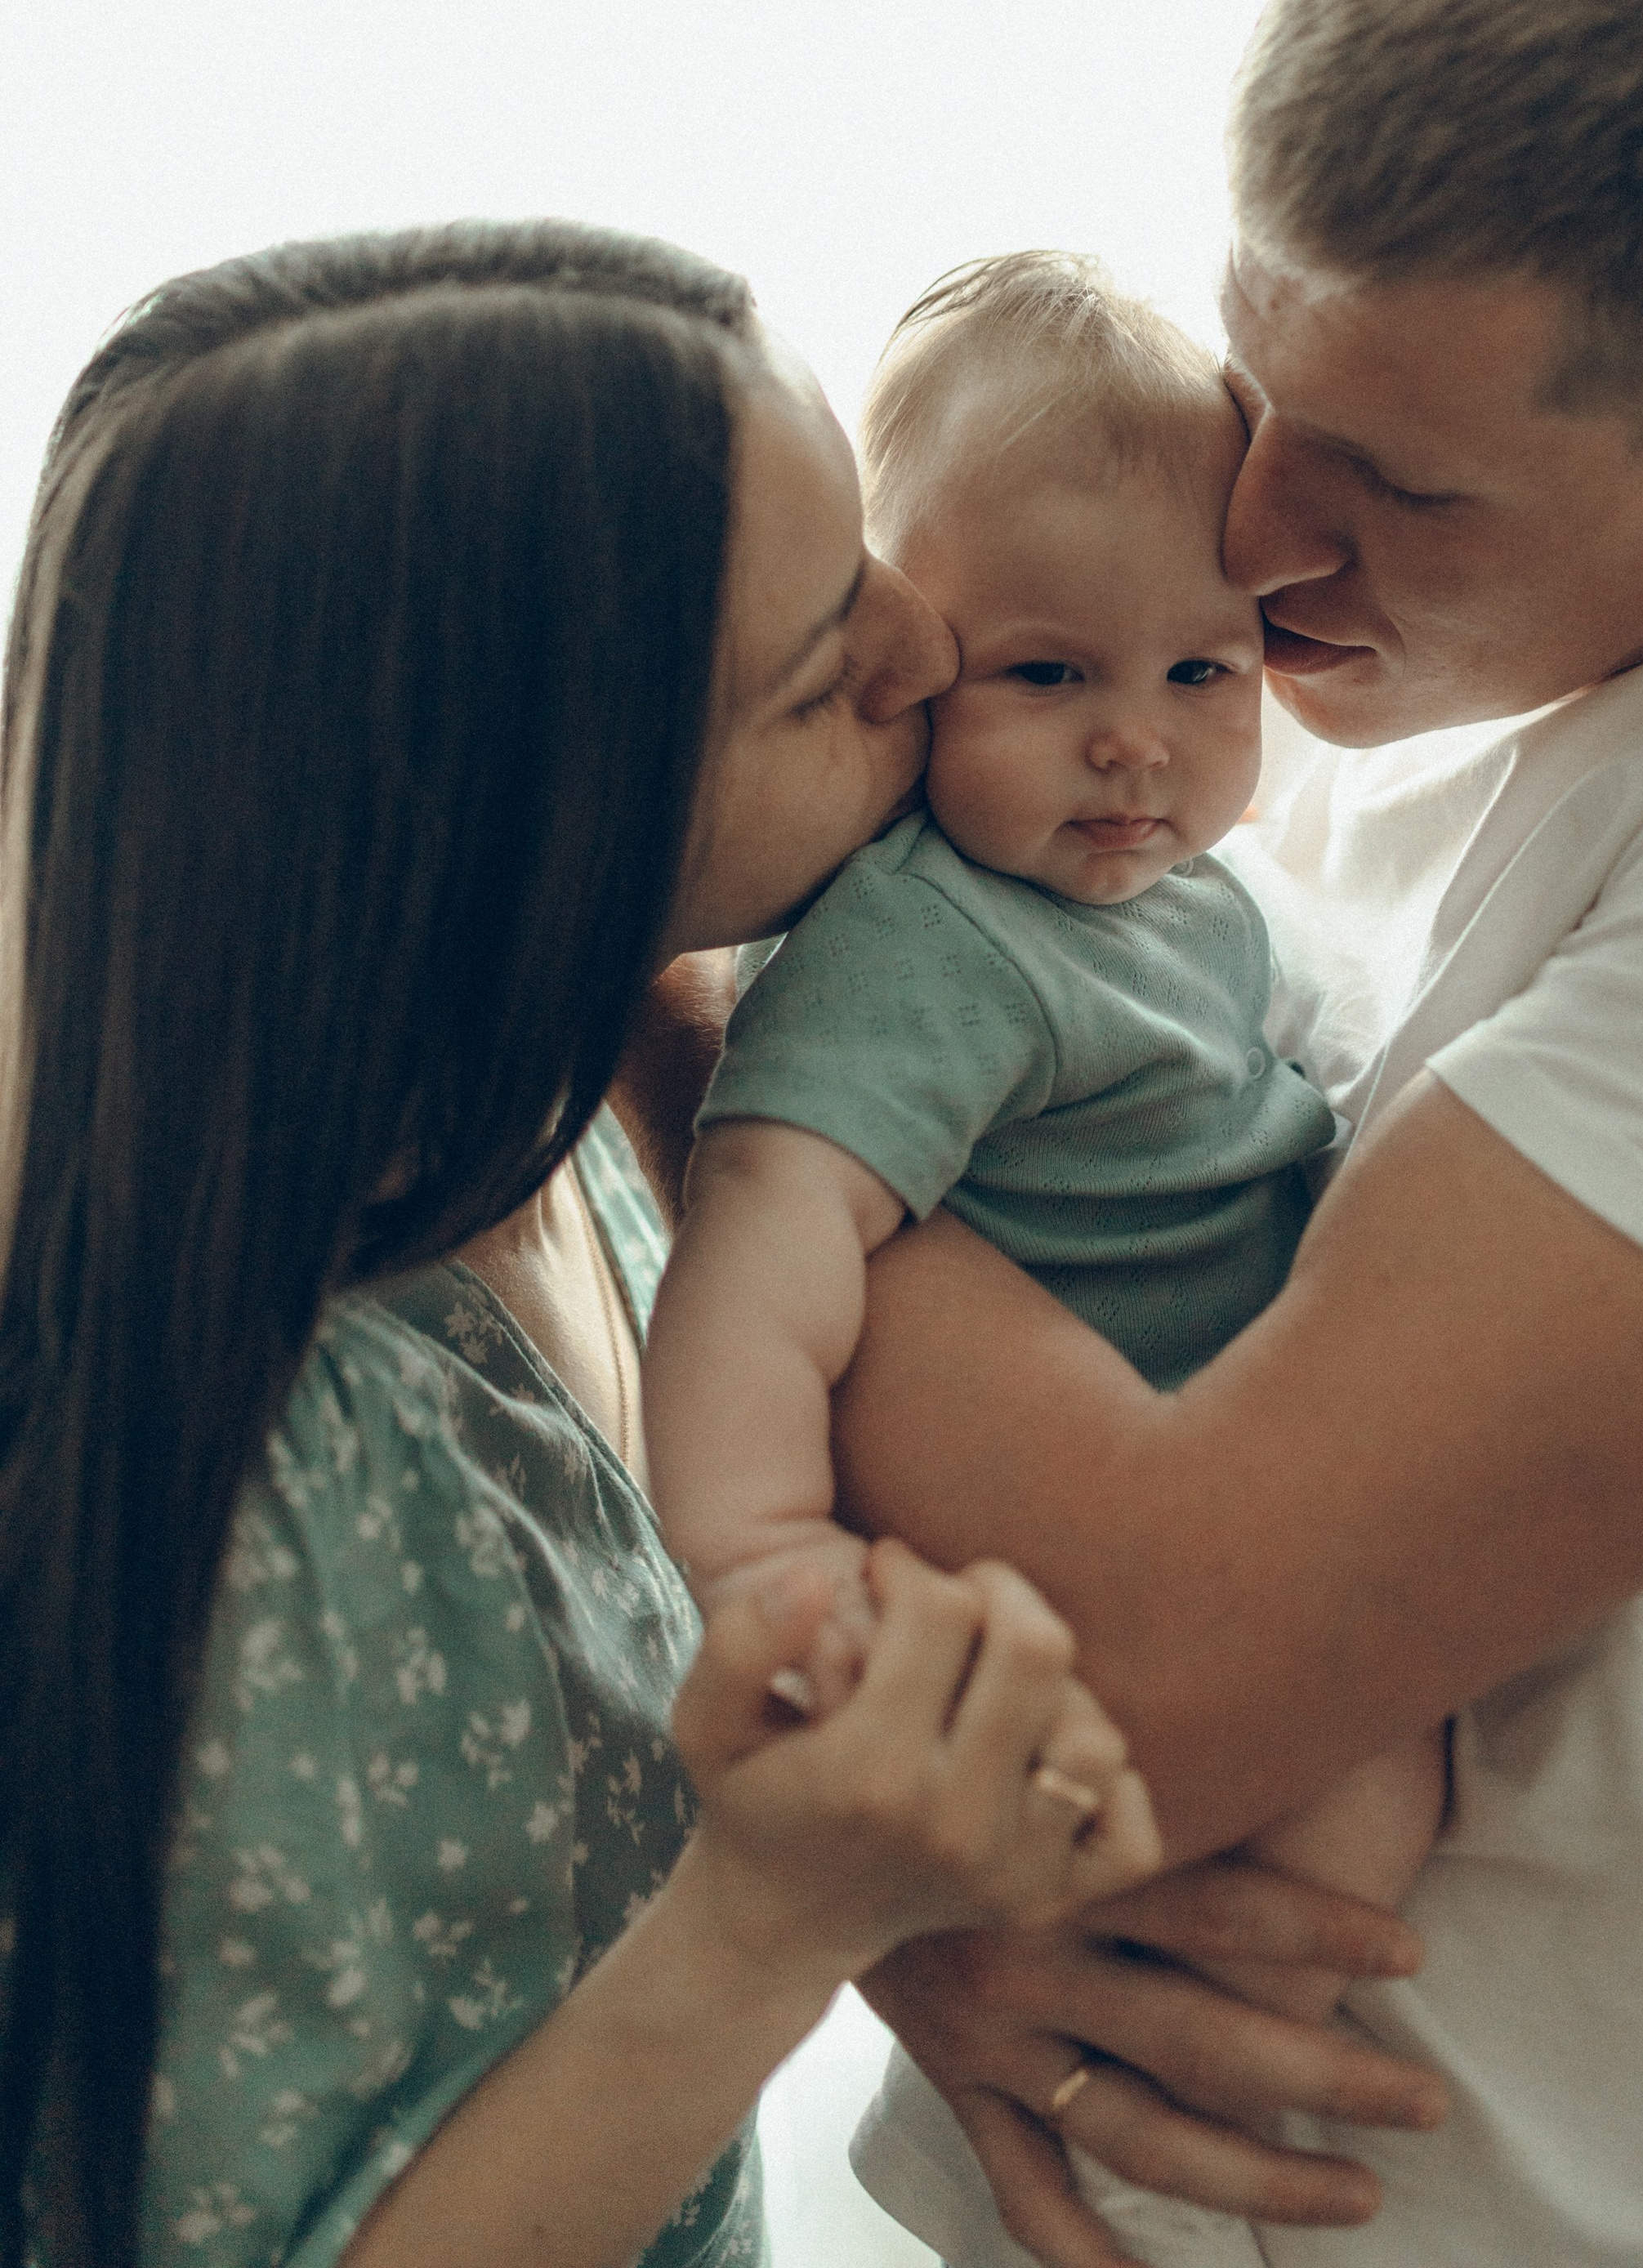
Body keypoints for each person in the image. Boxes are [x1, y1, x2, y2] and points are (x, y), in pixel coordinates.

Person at [738, 0, 1643, 2268]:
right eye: (1261, 396)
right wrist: (896, 1901)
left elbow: (1154, 1662)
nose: (1251, 539)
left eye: (1399, 482)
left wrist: (735, 1082)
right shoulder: (1283, 776)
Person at [0, 219, 1170, 2268]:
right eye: (823, 670)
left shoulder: (598, 1108)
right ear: (541, 832)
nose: (929, 643)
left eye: (862, 554)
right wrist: (778, 1925)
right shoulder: (275, 1477)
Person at [642, 252, 1447, 2268]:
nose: (1132, 749)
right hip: (1057, 1558)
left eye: (1200, 675)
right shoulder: (927, 944)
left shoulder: (1195, 896)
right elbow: (761, 1236)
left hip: (1238, 1451)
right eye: (1044, 677)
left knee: (1374, 1831)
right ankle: (1136, 2192)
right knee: (1330, 1851)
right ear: (907, 652)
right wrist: (760, 1548)